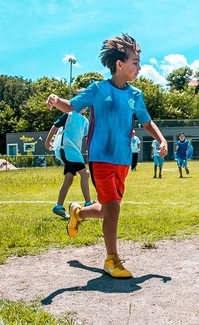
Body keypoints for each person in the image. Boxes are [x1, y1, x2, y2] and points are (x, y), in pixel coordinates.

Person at [46, 33, 169, 279]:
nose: (139, 67)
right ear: (119, 64)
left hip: (123, 160)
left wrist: (162, 140)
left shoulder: (135, 95)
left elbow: (146, 122)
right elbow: (71, 105)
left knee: (106, 210)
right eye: (135, 62)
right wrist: (56, 99)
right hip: (100, 157)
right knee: (113, 209)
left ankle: (78, 212)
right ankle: (111, 260)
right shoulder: (98, 89)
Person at [44, 108, 91, 220]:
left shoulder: (85, 121)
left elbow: (86, 137)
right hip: (66, 149)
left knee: (68, 179)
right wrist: (47, 142)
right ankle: (88, 203)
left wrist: (89, 148)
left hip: (75, 151)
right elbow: (55, 126)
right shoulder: (69, 115)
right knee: (85, 174)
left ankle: (58, 206)